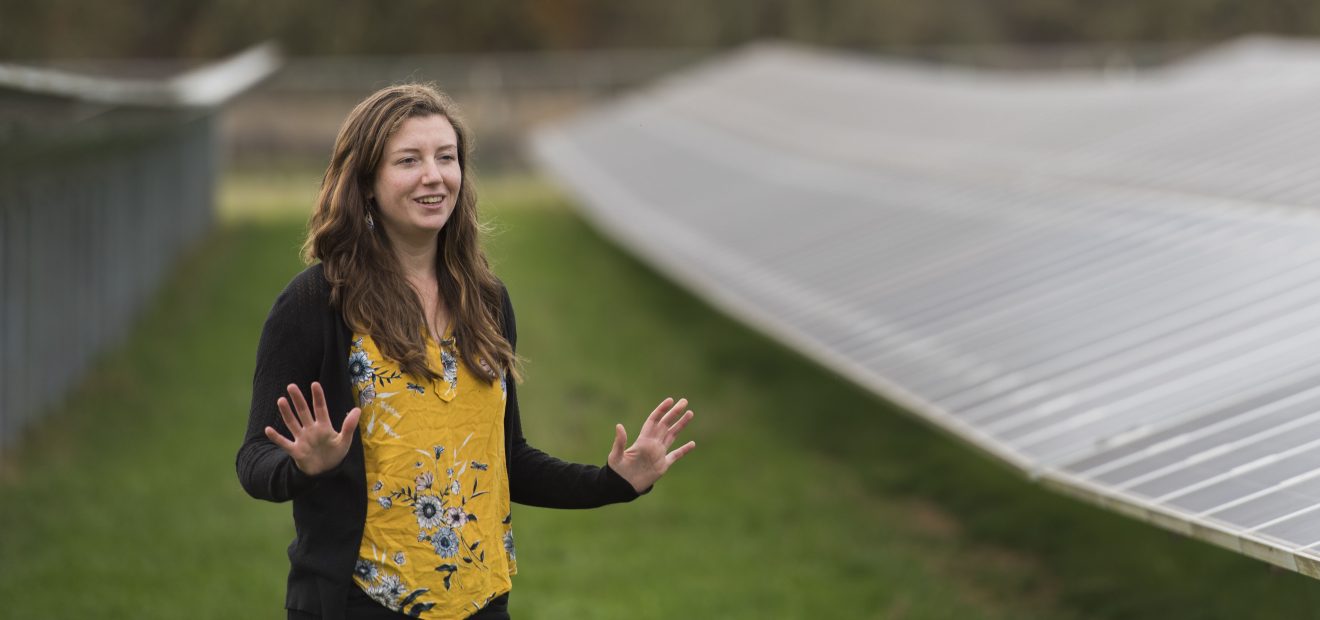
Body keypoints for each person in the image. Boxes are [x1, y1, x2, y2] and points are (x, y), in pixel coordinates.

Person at [236, 83, 696, 620]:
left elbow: (507, 460)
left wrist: (614, 482)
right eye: (408, 160)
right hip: (357, 603)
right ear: (365, 182)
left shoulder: (486, 300)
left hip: (480, 601)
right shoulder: (316, 303)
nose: (434, 175)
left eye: (446, 158)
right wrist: (304, 467)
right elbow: (253, 460)